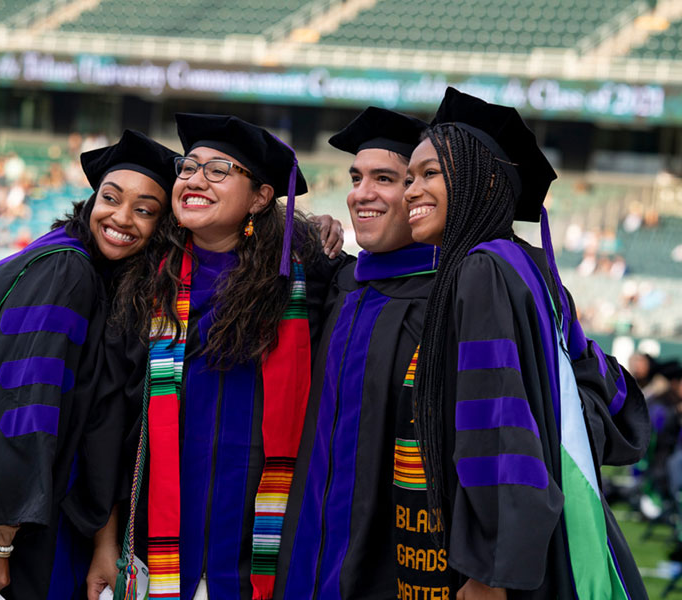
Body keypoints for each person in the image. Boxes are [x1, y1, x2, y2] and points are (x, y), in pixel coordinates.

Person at [0, 129, 179, 600]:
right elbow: (24, 404)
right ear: (91, 200)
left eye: (144, 210)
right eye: (111, 198)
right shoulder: (68, 270)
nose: (121, 218)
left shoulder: (74, 267)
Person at [402, 87, 649, 598]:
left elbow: (496, 427)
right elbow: (603, 391)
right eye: (409, 177)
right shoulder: (532, 269)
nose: (410, 191)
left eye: (429, 174)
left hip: (511, 566)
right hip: (557, 533)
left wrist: (490, 570)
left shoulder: (481, 270)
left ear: (484, 179)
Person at [88, 113, 345, 600]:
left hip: (265, 550)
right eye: (188, 168)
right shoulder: (143, 282)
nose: (195, 180)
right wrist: (105, 542)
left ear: (261, 197)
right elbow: (109, 422)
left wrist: (319, 233)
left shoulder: (304, 278)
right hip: (152, 550)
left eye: (219, 170)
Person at [275, 107, 450, 599]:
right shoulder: (343, 283)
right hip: (311, 548)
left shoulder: (455, 298)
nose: (361, 193)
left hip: (397, 557)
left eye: (385, 178)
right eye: (356, 178)